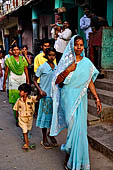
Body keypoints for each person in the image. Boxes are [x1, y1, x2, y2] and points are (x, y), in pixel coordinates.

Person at [50, 35, 102, 170]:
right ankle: (69, 151)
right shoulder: (66, 61)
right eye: (76, 44)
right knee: (72, 126)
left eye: (81, 45)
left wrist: (96, 98)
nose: (78, 47)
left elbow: (89, 81)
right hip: (67, 98)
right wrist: (68, 70)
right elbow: (56, 81)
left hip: (80, 99)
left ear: (83, 46)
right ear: (71, 46)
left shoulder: (87, 63)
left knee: (78, 130)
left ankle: (73, 159)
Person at [34, 47, 58, 149]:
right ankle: (44, 138)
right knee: (45, 118)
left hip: (54, 96)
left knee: (53, 118)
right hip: (45, 96)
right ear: (46, 56)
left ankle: (51, 134)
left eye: (53, 55)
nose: (51, 57)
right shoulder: (42, 67)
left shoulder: (56, 67)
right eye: (50, 55)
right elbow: (34, 80)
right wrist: (40, 90)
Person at [3, 44, 29, 124]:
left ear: (19, 50)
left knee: (24, 99)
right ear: (12, 51)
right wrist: (4, 83)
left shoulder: (23, 59)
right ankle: (17, 118)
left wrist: (28, 81)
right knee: (15, 100)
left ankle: (23, 117)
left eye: (17, 49)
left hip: (22, 79)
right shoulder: (9, 60)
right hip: (13, 81)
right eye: (14, 50)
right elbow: (6, 72)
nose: (16, 51)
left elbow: (26, 70)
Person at [13, 83, 40, 150]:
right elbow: (16, 109)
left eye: (20, 91)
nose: (19, 92)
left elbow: (37, 98)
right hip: (22, 118)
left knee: (27, 129)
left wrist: (41, 94)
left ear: (26, 92)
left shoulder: (31, 99)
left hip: (30, 118)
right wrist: (17, 117)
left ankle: (25, 137)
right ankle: (26, 143)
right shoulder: (19, 100)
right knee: (24, 130)